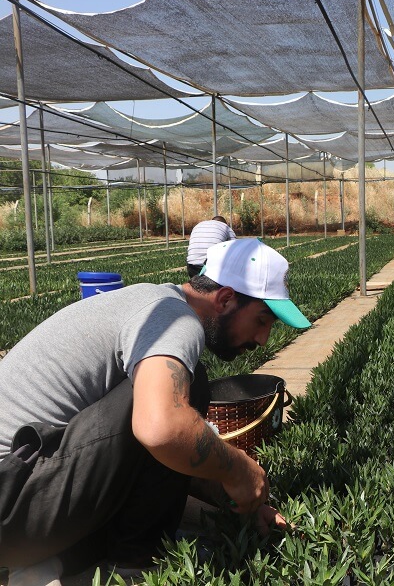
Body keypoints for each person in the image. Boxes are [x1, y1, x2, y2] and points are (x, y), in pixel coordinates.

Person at [0, 238, 312, 583]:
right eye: (262, 320)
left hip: (17, 498)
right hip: (11, 501)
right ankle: (131, 567)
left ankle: (53, 562)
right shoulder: (174, 320)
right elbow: (160, 429)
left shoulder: (153, 301)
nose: (264, 339)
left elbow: (157, 447)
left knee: (174, 406)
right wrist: (239, 469)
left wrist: (233, 493)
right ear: (225, 299)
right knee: (180, 399)